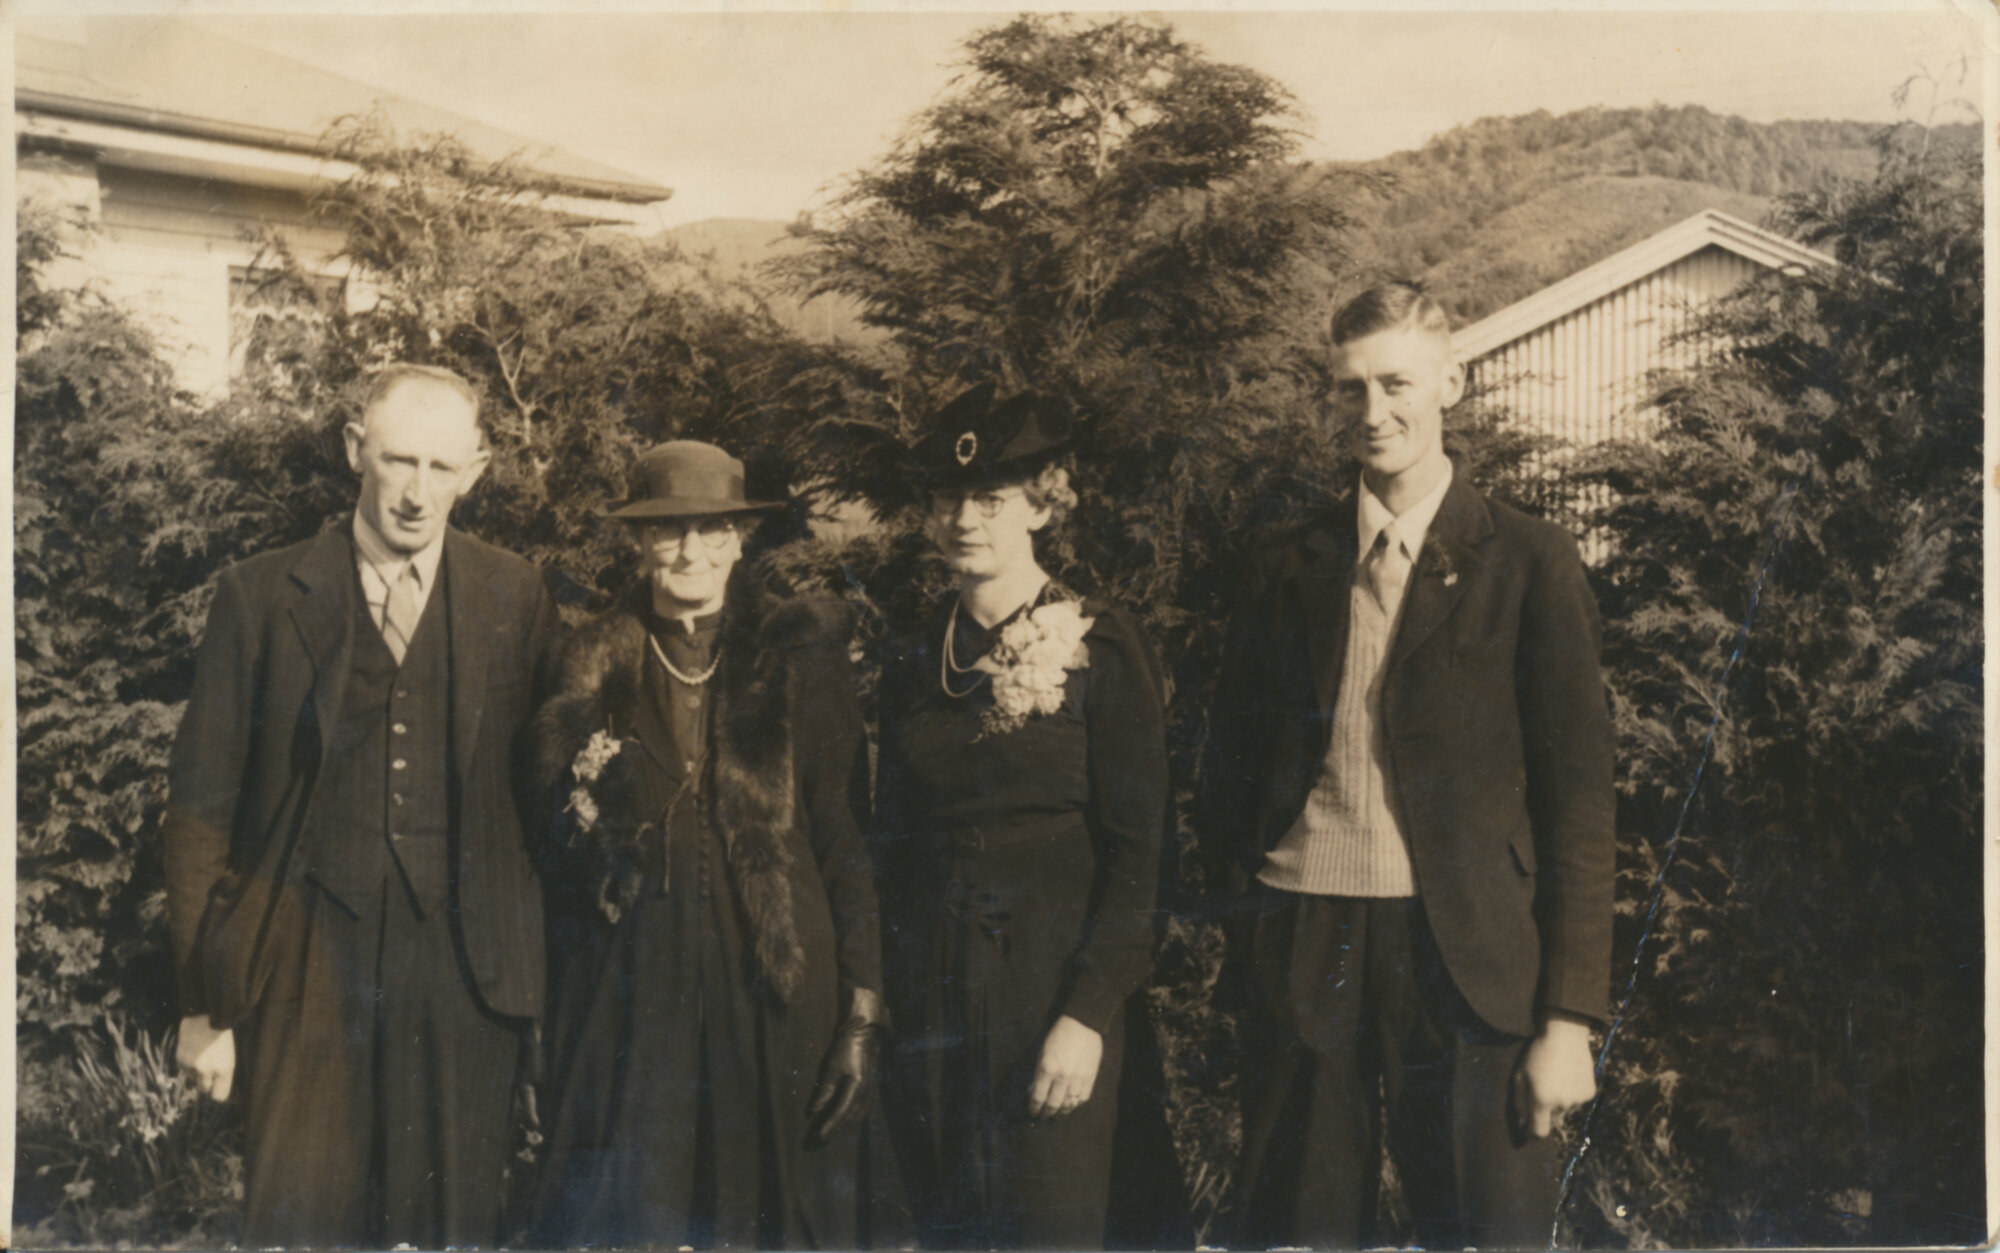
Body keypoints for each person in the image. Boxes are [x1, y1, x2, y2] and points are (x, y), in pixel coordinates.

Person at [1202, 282, 1616, 1248]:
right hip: (1306, 936)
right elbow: (1227, 770)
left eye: (1396, 384)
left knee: (1480, 1231)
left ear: (1451, 384)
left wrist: (1568, 1017)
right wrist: (1250, 934)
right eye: (1349, 389)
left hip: (1468, 960)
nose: (1373, 412)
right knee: (1301, 1231)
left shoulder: (1529, 562)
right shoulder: (1283, 563)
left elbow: (1580, 807)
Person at [163, 364, 562, 1248]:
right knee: (299, 1225)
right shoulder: (261, 597)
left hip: (465, 976)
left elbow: (547, 808)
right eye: (398, 461)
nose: (418, 494)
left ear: (478, 470)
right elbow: (199, 814)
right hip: (305, 966)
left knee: (452, 1225)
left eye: (442, 468)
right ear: (355, 452)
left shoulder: (516, 596)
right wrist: (204, 1005)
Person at [522, 440, 885, 1249]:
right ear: (639, 543)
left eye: (710, 529)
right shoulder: (585, 666)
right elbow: (551, 865)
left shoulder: (800, 663)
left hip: (771, 991)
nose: (690, 550)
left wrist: (861, 1011)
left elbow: (844, 840)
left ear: (738, 539)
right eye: (667, 530)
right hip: (631, 997)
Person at [872, 384, 1170, 1250]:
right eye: (949, 498)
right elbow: (890, 841)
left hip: (1054, 1003)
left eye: (992, 499)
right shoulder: (911, 656)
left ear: (1043, 505)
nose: (965, 518)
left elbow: (1143, 858)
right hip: (934, 1011)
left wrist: (1086, 1016)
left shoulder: (1101, 646)